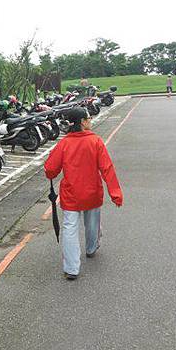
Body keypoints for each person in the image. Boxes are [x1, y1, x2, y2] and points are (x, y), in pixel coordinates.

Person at [44, 107, 123, 280]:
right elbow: (107, 168)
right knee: (92, 222)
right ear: (82, 122)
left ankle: (72, 268)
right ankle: (91, 248)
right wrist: (115, 193)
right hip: (92, 192)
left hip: (71, 194)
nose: (91, 120)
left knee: (70, 229)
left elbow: (50, 170)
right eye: (88, 118)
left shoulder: (64, 143)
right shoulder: (96, 141)